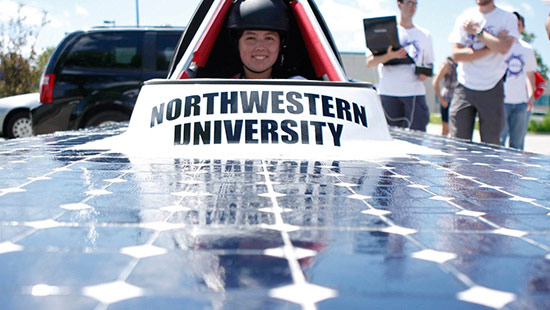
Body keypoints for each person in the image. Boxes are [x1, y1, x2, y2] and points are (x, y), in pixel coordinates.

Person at [448, 0, 519, 145]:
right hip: (464, 86)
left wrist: (477, 31)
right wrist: (492, 46)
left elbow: (504, 47)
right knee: (457, 144)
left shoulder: (508, 18)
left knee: (491, 145)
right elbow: (456, 55)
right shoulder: (465, 17)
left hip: (492, 86)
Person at [366, 0, 434, 132]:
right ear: (399, 4)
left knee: (418, 138)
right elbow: (370, 62)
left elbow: (429, 62)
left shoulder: (425, 35)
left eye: (415, 4)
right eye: (409, 3)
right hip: (388, 92)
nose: (412, 7)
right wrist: (390, 56)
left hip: (415, 93)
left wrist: (424, 72)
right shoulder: (384, 30)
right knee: (391, 137)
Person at [226, 0, 303, 80]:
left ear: (281, 44)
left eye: (269, 38)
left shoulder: (301, 87)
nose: (260, 47)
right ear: (237, 43)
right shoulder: (221, 88)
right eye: (251, 38)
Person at [500, 12, 537, 150]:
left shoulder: (527, 49)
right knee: (498, 142)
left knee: (517, 145)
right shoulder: (500, 46)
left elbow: (530, 74)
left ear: (523, 27)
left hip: (521, 103)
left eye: (518, 24)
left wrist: (531, 95)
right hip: (501, 101)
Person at [432, 57, 458, 136]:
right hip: (447, 100)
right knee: (446, 130)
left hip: (457, 99)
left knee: (457, 130)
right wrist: (441, 99)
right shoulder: (448, 65)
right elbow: (435, 82)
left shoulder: (463, 64)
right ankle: (443, 148)